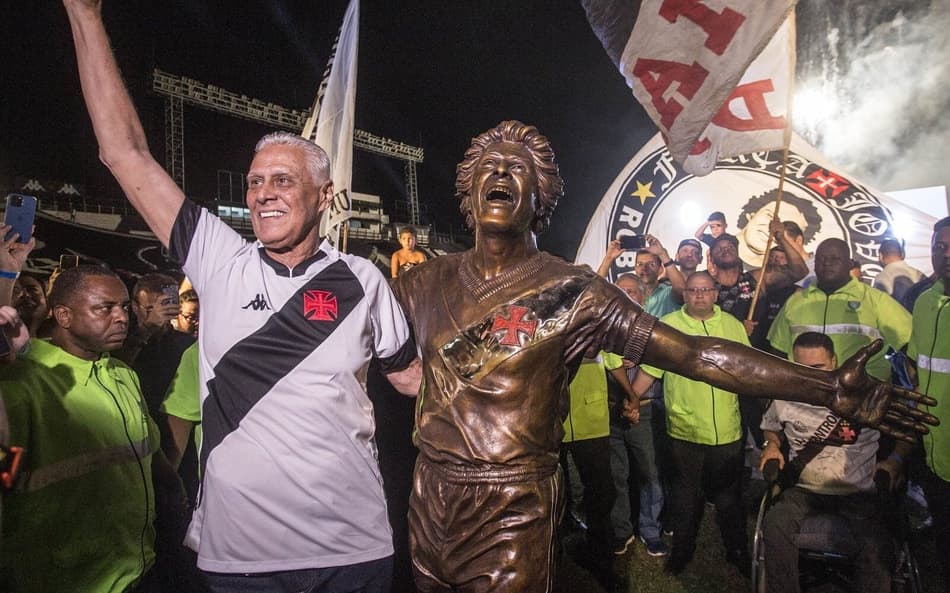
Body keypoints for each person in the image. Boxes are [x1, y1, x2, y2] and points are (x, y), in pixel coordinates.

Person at [390, 120, 934, 592]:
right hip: (431, 492)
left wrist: (823, 388)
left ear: (540, 197)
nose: (502, 175)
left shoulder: (572, 291)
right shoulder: (421, 284)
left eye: (517, 168)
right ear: (469, 189)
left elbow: (698, 355)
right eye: (491, 165)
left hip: (513, 504)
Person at [66, 4, 421, 591]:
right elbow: (124, 154)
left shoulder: (364, 278)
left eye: (282, 180)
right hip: (240, 559)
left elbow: (414, 381)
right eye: (255, 181)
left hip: (353, 548)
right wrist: (85, 16)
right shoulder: (218, 259)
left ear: (325, 196)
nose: (262, 193)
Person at [0, 265, 184, 593]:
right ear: (63, 315)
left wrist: (176, 496)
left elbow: (151, 455)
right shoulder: (22, 385)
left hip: (139, 571)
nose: (122, 317)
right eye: (104, 308)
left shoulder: (124, 375)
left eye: (125, 307)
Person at [630, 272, 750, 575]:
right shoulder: (670, 326)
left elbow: (749, 370)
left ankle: (737, 549)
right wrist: (631, 397)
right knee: (685, 495)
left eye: (705, 290)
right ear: (685, 294)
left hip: (726, 428)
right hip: (685, 429)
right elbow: (651, 369)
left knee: (728, 497)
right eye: (693, 290)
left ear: (715, 293)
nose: (699, 295)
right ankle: (682, 552)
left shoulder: (733, 326)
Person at [760, 332, 897, 593]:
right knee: (775, 525)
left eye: (818, 368)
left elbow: (905, 434)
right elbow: (770, 427)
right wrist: (772, 444)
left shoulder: (867, 397)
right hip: (803, 489)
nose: (809, 374)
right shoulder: (785, 395)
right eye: (802, 367)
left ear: (834, 362)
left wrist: (896, 462)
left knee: (876, 544)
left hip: (857, 491)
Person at [768, 238, 912, 381]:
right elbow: (777, 352)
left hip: (859, 395)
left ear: (849, 264)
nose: (827, 263)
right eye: (821, 259)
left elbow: (910, 344)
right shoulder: (795, 302)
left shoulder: (875, 300)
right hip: (806, 393)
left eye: (835, 259)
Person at [607, 273, 668, 558]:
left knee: (650, 474)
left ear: (644, 296)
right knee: (616, 474)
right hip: (611, 413)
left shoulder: (655, 330)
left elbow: (658, 368)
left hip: (643, 411)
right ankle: (621, 530)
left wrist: (633, 400)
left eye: (632, 291)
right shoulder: (603, 329)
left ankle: (651, 530)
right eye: (621, 291)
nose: (627, 296)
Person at [907, 216, 950, 589]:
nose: (946, 254)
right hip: (935, 454)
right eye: (940, 247)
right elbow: (919, 364)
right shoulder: (924, 303)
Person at [598, 235, 685, 317]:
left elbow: (682, 291)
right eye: (640, 264)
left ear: (661, 269)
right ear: (635, 268)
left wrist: (663, 254)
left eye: (651, 264)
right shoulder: (623, 292)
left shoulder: (667, 294)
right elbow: (593, 292)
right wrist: (609, 258)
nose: (644, 268)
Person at [735, 190, 821, 270]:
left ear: (799, 240)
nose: (773, 229)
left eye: (783, 228)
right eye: (769, 216)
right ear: (751, 214)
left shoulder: (781, 279)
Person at [874, 238, 925, 304]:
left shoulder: (882, 278)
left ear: (881, 256)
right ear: (902, 255)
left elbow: (879, 307)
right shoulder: (919, 274)